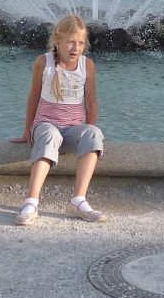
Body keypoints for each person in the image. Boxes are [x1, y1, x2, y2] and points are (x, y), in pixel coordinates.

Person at [10, 14, 106, 227]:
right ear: (58, 40)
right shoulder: (43, 63)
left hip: (72, 131)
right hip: (45, 127)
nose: (76, 48)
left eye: (81, 43)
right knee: (50, 133)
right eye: (71, 42)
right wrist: (27, 131)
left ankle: (78, 200)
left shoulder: (87, 65)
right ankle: (32, 202)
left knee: (94, 134)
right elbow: (33, 97)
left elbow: (91, 104)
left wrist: (86, 137)